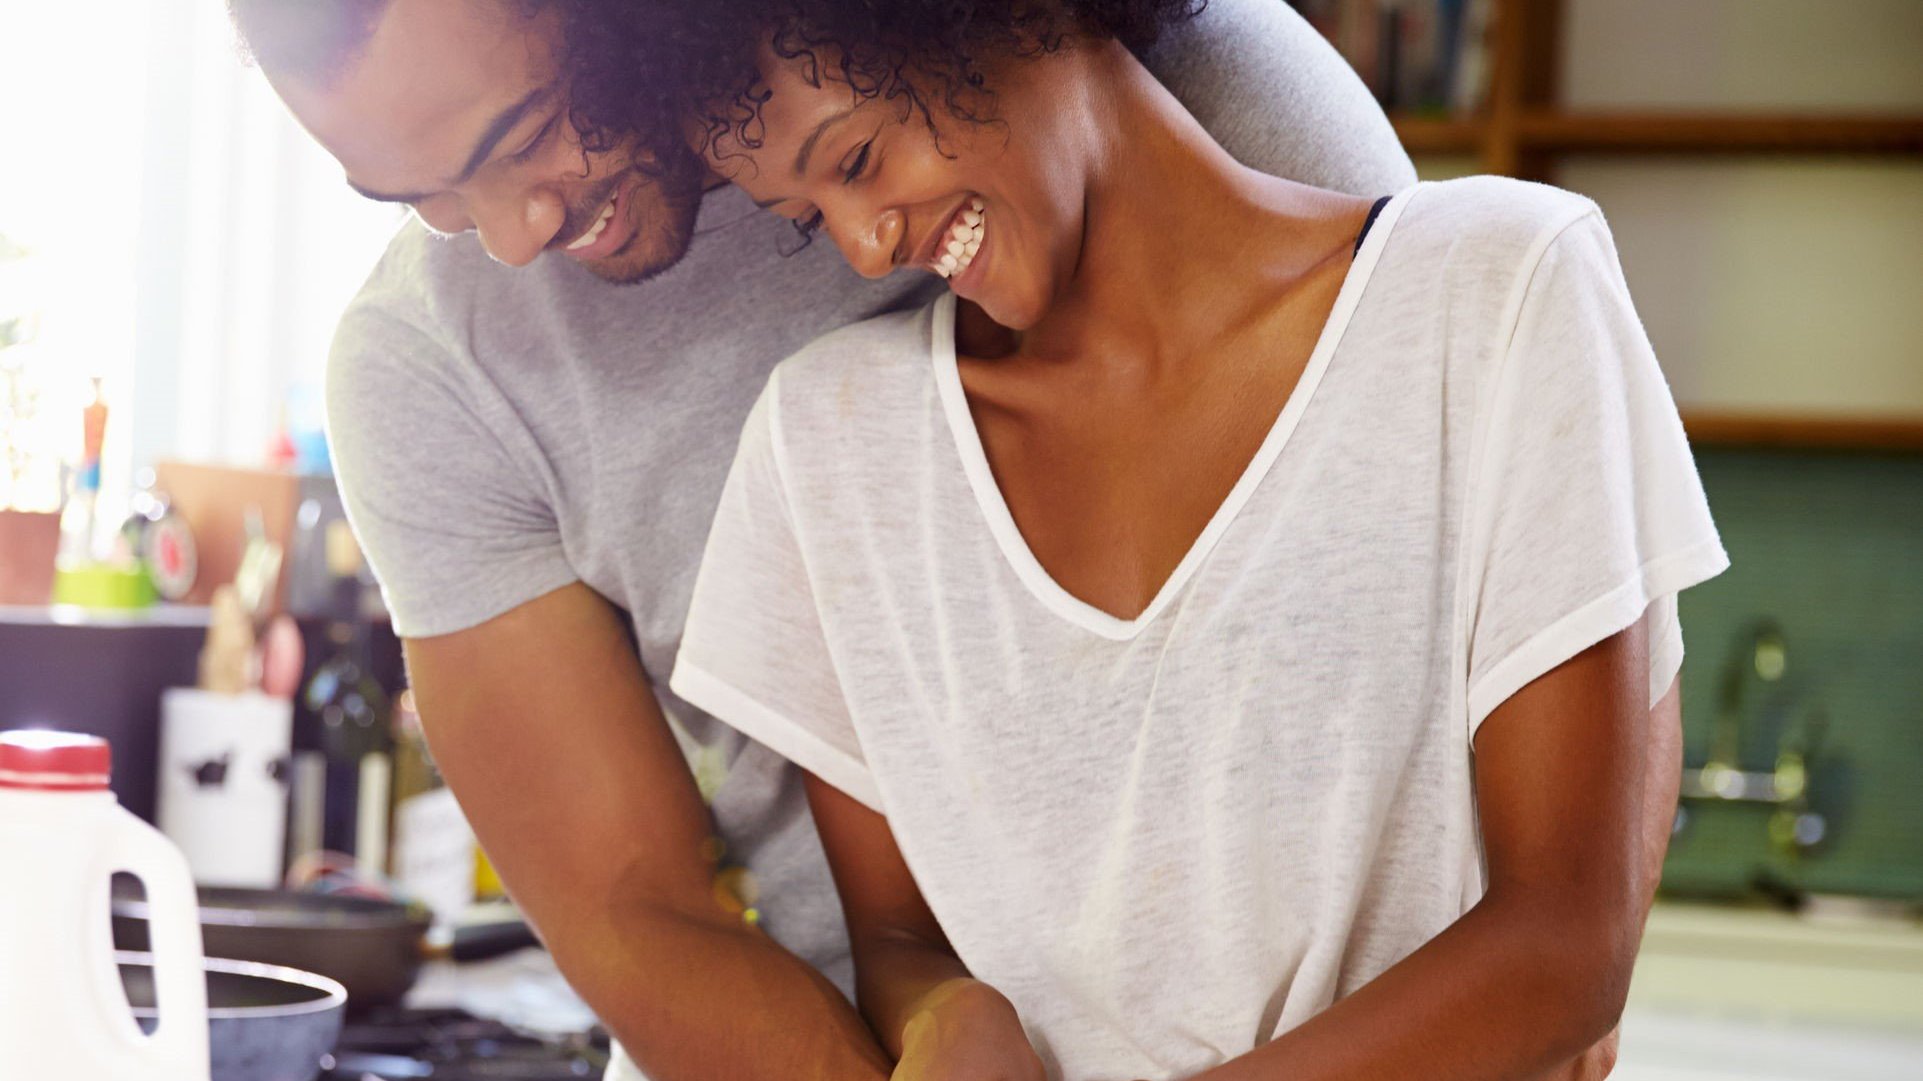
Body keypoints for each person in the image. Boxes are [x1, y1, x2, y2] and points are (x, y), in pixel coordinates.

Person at [224, 0, 1420, 1077]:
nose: (512, 232)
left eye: (526, 130)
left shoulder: (1174, 68)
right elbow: (635, 908)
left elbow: (1473, 568)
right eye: (423, 196)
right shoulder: (426, 369)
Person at [662, 2, 1729, 1079]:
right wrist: (948, 1015)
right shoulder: (831, 444)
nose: (862, 244)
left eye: (855, 157)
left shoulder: (1496, 293)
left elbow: (1566, 944)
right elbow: (898, 937)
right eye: (806, 216)